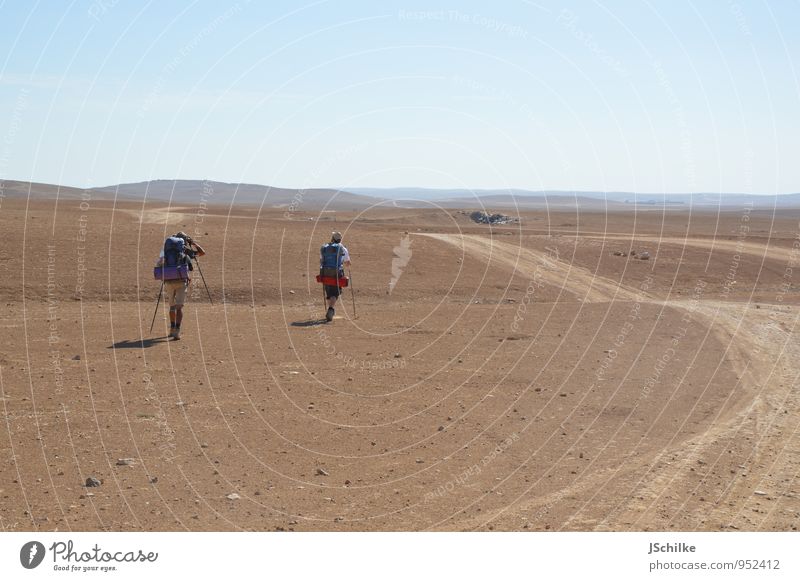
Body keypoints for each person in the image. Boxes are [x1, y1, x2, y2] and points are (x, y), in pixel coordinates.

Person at [155, 231, 205, 339]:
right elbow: (202, 253)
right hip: (181, 283)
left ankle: (172, 329)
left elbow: (159, 264)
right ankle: (177, 331)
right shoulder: (186, 253)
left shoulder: (165, 252)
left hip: (168, 282)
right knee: (179, 308)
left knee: (172, 307)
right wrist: (193, 243)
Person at [320, 231, 351, 322]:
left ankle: (331, 309)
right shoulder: (342, 248)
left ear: (332, 238)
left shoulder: (325, 247)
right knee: (335, 293)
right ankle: (331, 310)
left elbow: (321, 260)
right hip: (336, 273)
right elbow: (347, 263)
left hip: (325, 272)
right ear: (340, 239)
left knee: (329, 292)